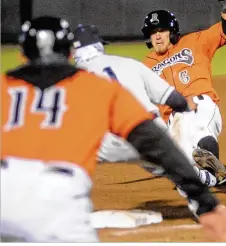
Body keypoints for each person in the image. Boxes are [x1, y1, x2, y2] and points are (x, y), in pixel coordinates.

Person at [1, 16, 226, 242]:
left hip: (5, 201)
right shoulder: (95, 83)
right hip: (65, 207)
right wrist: (204, 201)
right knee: (164, 157)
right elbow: (152, 138)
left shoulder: (4, 87)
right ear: (68, 52)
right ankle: (199, 185)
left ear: (21, 54)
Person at [72, 24, 218, 187]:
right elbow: (171, 97)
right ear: (98, 46)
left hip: (113, 139)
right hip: (150, 129)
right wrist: (185, 106)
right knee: (173, 161)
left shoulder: (72, 79)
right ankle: (203, 176)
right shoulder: (129, 64)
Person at [141, 0, 226, 186]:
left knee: (200, 132)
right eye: (152, 32)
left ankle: (212, 167)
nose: (157, 36)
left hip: (200, 104)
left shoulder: (196, 41)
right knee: (184, 169)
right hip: (174, 121)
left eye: (161, 30)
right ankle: (215, 175)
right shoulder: (146, 65)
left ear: (172, 31)